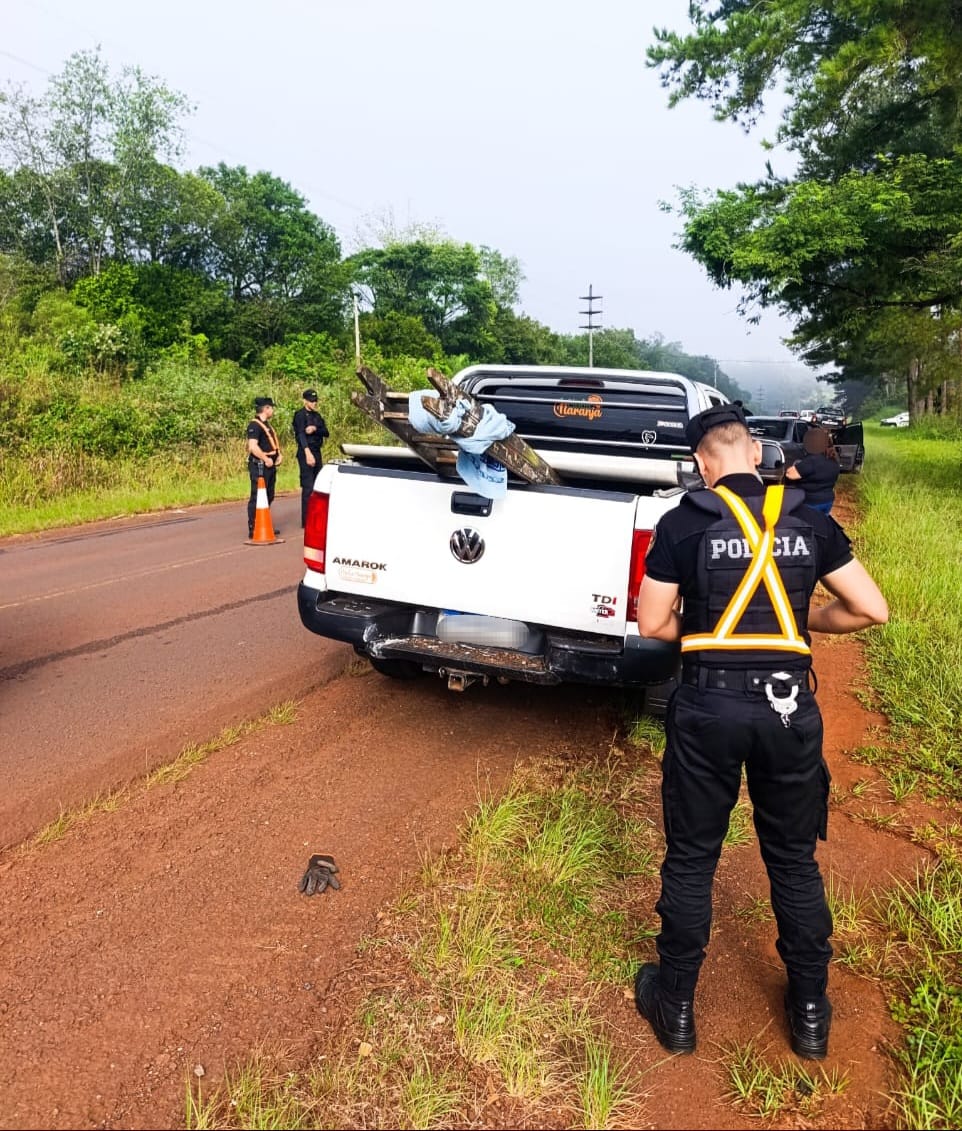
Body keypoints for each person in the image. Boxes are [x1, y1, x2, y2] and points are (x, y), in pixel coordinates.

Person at [633, 403, 888, 1061]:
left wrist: (713, 630)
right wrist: (800, 627)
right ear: (755, 451)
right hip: (788, 712)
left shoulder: (683, 522)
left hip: (708, 709)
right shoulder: (808, 517)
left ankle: (678, 1006)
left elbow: (655, 623)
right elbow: (872, 608)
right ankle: (809, 1012)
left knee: (692, 856)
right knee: (793, 858)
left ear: (702, 462)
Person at [291, 388, 329, 528]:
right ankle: (306, 521)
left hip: (317, 451)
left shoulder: (317, 416)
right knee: (308, 486)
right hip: (305, 451)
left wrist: (315, 429)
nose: (314, 403)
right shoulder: (300, 415)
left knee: (318, 485)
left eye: (315, 401)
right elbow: (300, 435)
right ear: (305, 401)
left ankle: (317, 517)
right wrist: (307, 453)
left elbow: (326, 432)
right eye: (311, 401)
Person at [246, 396, 283, 538]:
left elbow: (271, 443)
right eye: (271, 407)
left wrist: (278, 455)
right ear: (266, 408)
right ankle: (254, 526)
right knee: (258, 496)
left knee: (269, 495)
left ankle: (264, 523)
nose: (272, 410)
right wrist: (265, 458)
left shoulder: (267, 425)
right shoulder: (254, 426)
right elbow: (253, 447)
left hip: (270, 464)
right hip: (260, 465)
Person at [784, 426, 841, 515]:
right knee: (820, 524)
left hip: (811, 502)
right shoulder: (834, 459)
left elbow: (790, 474)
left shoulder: (812, 460)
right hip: (827, 500)